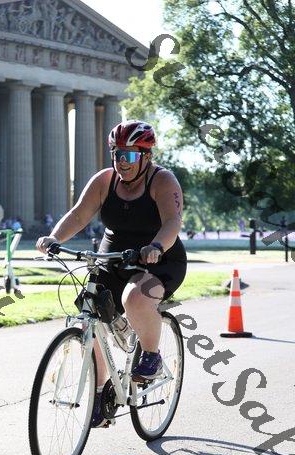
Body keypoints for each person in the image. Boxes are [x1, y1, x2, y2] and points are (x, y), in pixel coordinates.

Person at [36, 120, 187, 426]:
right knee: (88, 311)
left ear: (146, 156)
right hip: (113, 258)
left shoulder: (162, 181)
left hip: (158, 259)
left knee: (135, 299)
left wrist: (156, 245)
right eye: (117, 154)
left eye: (129, 155)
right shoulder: (105, 181)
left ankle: (151, 355)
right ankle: (102, 393)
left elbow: (172, 222)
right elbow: (79, 214)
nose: (122, 162)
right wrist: (54, 238)